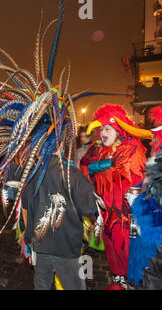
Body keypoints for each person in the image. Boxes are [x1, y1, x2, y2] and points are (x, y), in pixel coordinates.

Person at [80, 104, 147, 289]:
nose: (103, 132)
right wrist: (107, 163)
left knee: (127, 253)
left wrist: (107, 164)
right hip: (106, 213)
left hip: (126, 215)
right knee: (112, 254)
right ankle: (119, 284)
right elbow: (85, 165)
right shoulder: (96, 148)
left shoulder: (131, 148)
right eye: (101, 129)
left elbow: (129, 171)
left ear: (118, 130)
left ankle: (133, 285)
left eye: (108, 128)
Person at [20, 141, 99, 290]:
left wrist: (29, 239)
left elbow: (25, 210)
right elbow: (89, 209)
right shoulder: (72, 175)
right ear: (61, 146)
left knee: (42, 285)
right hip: (65, 246)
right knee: (74, 286)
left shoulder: (32, 175)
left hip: (39, 244)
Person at [127, 105, 162, 289]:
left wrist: (137, 202)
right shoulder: (156, 165)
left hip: (155, 253)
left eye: (155, 139)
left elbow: (156, 219)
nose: (151, 143)